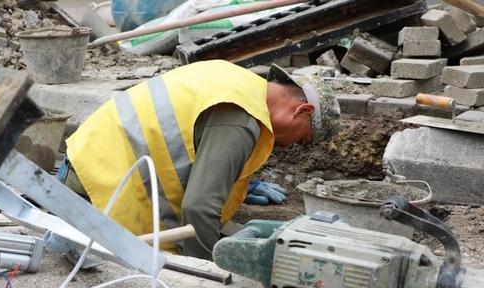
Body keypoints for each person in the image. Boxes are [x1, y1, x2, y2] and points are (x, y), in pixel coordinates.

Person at [56, 61, 340, 260]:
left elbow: (183, 139)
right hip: (94, 189)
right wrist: (208, 269)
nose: (288, 145)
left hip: (82, 164)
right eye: (301, 139)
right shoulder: (241, 118)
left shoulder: (236, 81)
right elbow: (199, 210)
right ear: (302, 110)